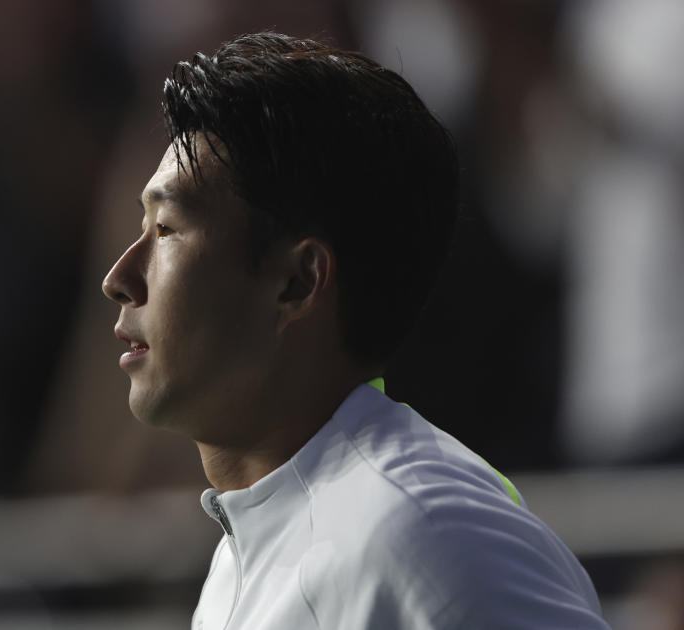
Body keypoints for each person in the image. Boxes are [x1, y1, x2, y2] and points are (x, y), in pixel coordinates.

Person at [101, 32, 610, 630]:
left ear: (298, 282)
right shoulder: (250, 556)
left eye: (165, 230)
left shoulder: (425, 533)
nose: (120, 277)